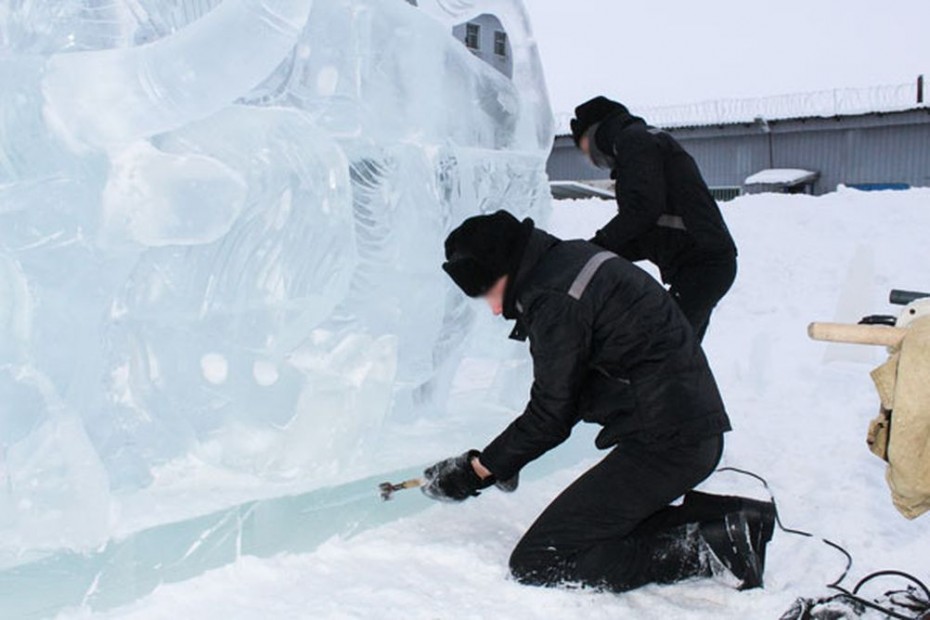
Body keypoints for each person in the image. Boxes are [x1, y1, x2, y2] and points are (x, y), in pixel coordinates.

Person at [422, 210, 774, 593]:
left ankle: (708, 548)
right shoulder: (568, 263)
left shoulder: (553, 298)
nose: (492, 309)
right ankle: (735, 522)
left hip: (668, 446)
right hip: (684, 433)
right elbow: (571, 393)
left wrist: (477, 472)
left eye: (488, 292)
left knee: (540, 560)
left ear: (504, 268)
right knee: (601, 526)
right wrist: (502, 461)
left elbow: (551, 413)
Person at [570, 96, 737, 342]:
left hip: (703, 265)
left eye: (584, 146)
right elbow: (649, 230)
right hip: (704, 265)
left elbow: (642, 209)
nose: (588, 157)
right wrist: (595, 255)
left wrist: (598, 245)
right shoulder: (643, 141)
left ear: (595, 132)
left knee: (661, 348)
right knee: (680, 354)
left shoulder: (634, 142)